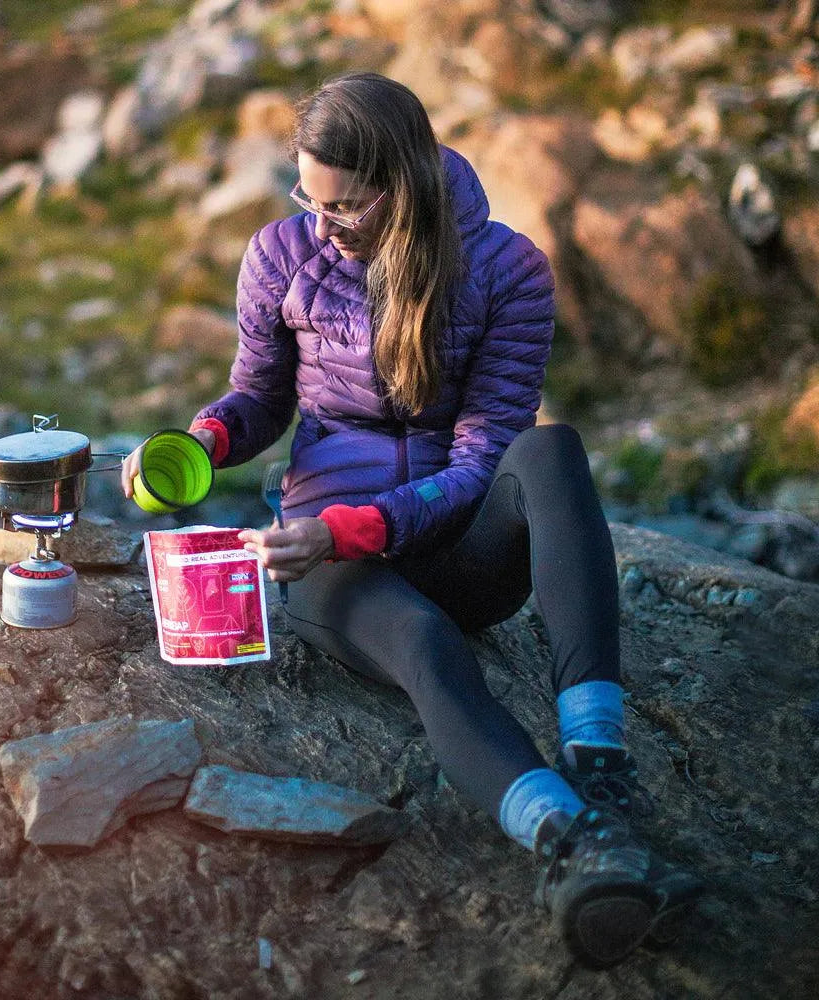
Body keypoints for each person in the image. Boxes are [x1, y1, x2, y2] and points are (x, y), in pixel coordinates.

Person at [122, 72, 702, 968]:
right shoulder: (283, 256)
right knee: (426, 646)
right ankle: (575, 842)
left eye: (346, 207)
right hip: (332, 567)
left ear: (402, 186)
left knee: (549, 452)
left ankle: (599, 759)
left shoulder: (505, 270)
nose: (324, 226)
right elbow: (259, 399)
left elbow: (482, 461)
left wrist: (357, 526)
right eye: (309, 201)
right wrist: (200, 440)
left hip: (447, 541)